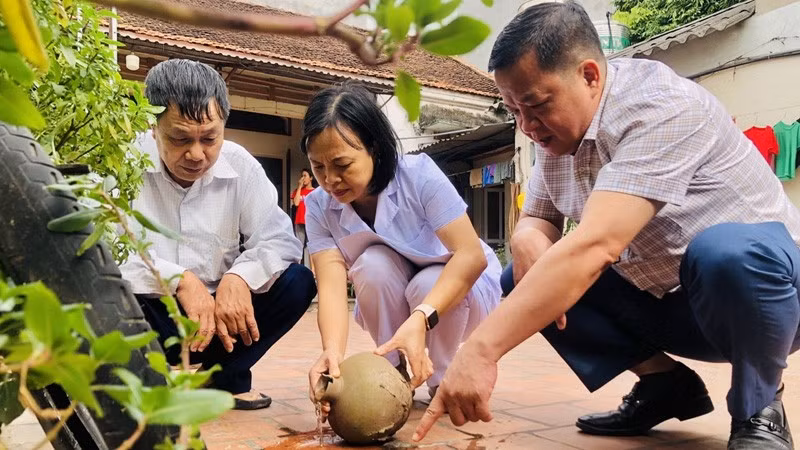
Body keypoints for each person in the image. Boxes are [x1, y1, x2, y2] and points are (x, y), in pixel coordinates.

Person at [413, 3, 800, 449]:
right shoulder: (556, 137)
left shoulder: (661, 107)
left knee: (724, 252)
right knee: (521, 277)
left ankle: (760, 407)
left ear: (591, 75)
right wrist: (525, 239)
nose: (527, 125)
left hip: (764, 299)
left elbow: (596, 244)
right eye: (514, 110)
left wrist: (479, 351)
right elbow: (539, 218)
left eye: (536, 105)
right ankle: (664, 385)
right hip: (673, 305)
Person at [119, 59, 316, 410]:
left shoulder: (241, 165)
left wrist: (240, 277)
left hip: (225, 320)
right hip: (155, 312)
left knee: (298, 281)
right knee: (112, 297)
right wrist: (180, 280)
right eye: (180, 139)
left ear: (224, 125)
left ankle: (222, 376)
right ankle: (151, 381)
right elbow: (108, 250)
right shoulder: (125, 163)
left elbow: (279, 240)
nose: (197, 154)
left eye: (210, 138)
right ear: (153, 127)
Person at [301, 82, 502, 411]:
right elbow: (332, 288)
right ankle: (391, 369)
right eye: (318, 167)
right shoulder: (319, 207)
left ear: (375, 149)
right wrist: (332, 352)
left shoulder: (419, 176)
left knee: (427, 284)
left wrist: (421, 317)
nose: (330, 180)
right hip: (402, 290)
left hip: (463, 290)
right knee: (372, 265)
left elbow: (470, 256)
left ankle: (444, 378)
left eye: (342, 165)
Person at [291, 168, 315, 266]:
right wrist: (299, 187)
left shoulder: (315, 192)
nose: (303, 178)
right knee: (299, 246)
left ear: (311, 178)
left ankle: (313, 272)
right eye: (302, 176)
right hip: (299, 221)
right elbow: (296, 203)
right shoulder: (298, 191)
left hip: (311, 222)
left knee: (312, 246)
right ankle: (299, 268)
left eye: (305, 176)